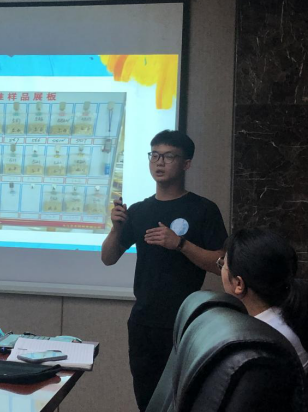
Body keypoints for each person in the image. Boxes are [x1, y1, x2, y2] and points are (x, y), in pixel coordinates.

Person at [101, 130, 227, 412]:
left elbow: (222, 264)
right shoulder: (139, 210)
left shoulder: (203, 209)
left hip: (184, 323)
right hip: (143, 322)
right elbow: (108, 258)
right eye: (154, 155)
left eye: (169, 156)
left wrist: (180, 244)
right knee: (147, 401)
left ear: (186, 164)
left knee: (182, 401)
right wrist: (116, 229)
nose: (159, 162)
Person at [219, 228, 308, 371]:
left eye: (223, 265)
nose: (221, 268)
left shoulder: (260, 340)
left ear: (239, 284)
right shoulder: (288, 312)